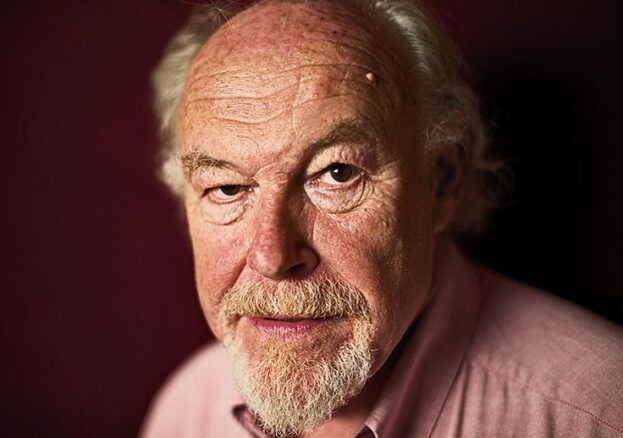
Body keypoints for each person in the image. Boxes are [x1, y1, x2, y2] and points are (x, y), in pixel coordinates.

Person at [141, 0, 623, 436]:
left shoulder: (595, 413)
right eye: (227, 187)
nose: (272, 255)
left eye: (337, 172)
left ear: (442, 180)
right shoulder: (186, 411)